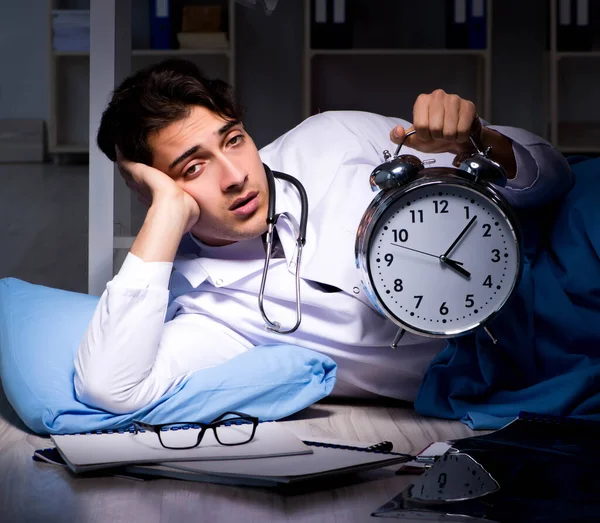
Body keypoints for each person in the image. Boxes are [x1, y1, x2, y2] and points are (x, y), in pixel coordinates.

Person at [74, 59, 573, 414]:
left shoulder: (331, 139)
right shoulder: (212, 313)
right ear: (152, 189)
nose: (235, 175)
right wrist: (164, 215)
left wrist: (479, 140)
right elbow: (109, 386)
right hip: (515, 369)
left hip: (556, 268)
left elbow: (553, 175)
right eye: (193, 167)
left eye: (233, 140)